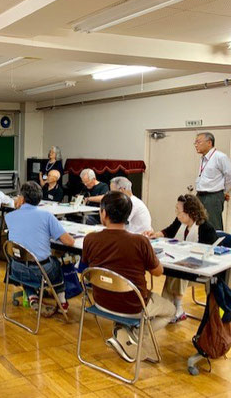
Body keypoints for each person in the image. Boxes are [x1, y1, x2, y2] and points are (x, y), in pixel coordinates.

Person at [82, 192, 175, 363]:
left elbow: (86, 266)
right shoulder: (140, 242)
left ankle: (126, 335)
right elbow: (158, 272)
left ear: (103, 213)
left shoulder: (90, 239)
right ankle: (133, 335)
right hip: (133, 305)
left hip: (101, 301)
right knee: (171, 311)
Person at [145, 194, 217, 322]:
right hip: (181, 265)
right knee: (173, 270)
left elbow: (211, 253)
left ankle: (176, 307)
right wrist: (156, 234)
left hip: (198, 270)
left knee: (178, 271)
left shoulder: (206, 228)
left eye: (179, 211)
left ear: (191, 212)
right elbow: (168, 231)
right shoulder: (180, 222)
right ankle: (169, 308)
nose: (177, 213)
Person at [5, 181, 75, 313]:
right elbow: (69, 242)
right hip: (41, 271)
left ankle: (32, 296)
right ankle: (62, 302)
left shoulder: (9, 217)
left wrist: (17, 206)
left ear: (22, 198)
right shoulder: (47, 216)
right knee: (56, 264)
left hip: (15, 269)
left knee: (22, 258)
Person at [194, 132, 231, 230]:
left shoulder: (220, 157)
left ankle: (218, 245)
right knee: (199, 225)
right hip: (200, 195)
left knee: (214, 226)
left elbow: (229, 175)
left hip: (213, 197)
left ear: (209, 143)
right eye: (195, 143)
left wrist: (224, 191)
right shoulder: (203, 158)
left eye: (198, 142)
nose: (196, 145)